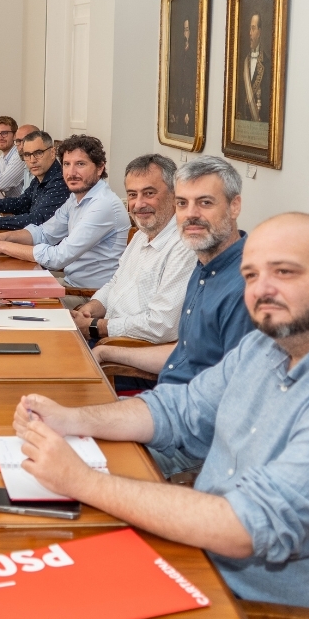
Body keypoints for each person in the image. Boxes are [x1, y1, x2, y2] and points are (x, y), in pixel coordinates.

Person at [13, 213, 309, 619]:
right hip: (213, 567)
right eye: (250, 276)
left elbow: (247, 526)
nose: (262, 290)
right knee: (31, 579)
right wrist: (73, 419)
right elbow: (180, 409)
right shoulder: (269, 344)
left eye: (284, 272)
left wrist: (83, 481)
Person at [93, 155, 255, 475]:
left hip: (190, 442)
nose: (191, 214)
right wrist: (106, 350)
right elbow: (186, 352)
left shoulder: (246, 287)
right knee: (49, 425)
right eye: (183, 203)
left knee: (73, 462)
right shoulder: (204, 263)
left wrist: (151, 418)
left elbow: (236, 400)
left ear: (234, 206)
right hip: (164, 408)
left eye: (205, 202)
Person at [70, 155, 194, 382]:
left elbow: (161, 326)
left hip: (131, 359)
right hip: (105, 339)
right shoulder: (140, 235)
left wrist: (96, 327)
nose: (138, 204)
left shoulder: (184, 246)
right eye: (132, 195)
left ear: (175, 195)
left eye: (149, 193)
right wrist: (90, 309)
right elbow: (114, 283)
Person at [0, 134, 130, 289]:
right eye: (67, 164)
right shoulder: (76, 198)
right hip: (69, 283)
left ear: (100, 167)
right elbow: (43, 233)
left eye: (80, 164)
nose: (71, 172)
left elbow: (57, 257)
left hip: (88, 296)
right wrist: (2, 236)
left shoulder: (103, 205)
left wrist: (3, 246)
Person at [0, 130, 69, 232]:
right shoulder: (40, 177)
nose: (32, 160)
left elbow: (36, 220)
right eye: (27, 155)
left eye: (38, 153)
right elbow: (20, 203)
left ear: (52, 152)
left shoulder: (60, 181)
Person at [238, 13, 271, 123]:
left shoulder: (266, 63)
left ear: (259, 32)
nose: (250, 33)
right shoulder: (244, 61)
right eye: (250, 29)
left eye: (253, 29)